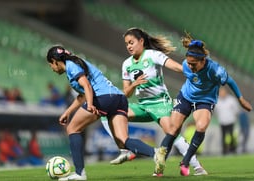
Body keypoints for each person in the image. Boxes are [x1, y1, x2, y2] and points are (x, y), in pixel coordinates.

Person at [46, 45, 166, 181]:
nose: (52, 68)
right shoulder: (76, 63)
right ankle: (155, 153)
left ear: (55, 61)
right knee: (123, 140)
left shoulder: (71, 66)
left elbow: (87, 87)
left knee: (73, 129)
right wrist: (68, 112)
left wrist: (91, 105)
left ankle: (80, 174)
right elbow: (82, 95)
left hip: (102, 98)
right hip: (119, 98)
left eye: (51, 65)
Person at [101, 27, 207, 176]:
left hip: (160, 104)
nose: (129, 46)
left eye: (131, 42)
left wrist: (194, 72)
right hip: (142, 105)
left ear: (141, 41)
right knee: (107, 113)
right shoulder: (127, 64)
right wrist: (134, 84)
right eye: (127, 44)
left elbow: (176, 66)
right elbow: (126, 93)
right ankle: (125, 149)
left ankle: (197, 167)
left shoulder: (153, 55)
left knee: (172, 134)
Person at [159, 33, 252, 176]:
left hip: (205, 100)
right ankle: (160, 162)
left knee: (201, 126)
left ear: (203, 61)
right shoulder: (186, 65)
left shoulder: (216, 70)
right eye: (188, 63)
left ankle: (185, 161)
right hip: (185, 97)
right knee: (173, 128)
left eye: (193, 64)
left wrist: (240, 99)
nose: (190, 66)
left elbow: (231, 81)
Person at [214, 86, 240, 155]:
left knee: (231, 135)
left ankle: (233, 149)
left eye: (223, 92)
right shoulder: (217, 101)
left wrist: (233, 116)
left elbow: (236, 110)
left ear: (226, 92)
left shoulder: (231, 100)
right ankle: (224, 151)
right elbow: (216, 111)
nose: (221, 94)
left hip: (230, 121)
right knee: (223, 136)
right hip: (222, 121)